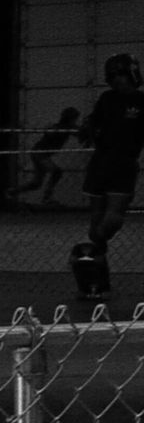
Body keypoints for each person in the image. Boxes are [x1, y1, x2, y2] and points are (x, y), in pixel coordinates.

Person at [75, 52, 144, 295]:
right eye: (113, 76)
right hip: (100, 163)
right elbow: (92, 123)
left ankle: (89, 255)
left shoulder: (141, 101)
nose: (117, 80)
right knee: (95, 224)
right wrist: (87, 129)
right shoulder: (106, 99)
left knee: (112, 220)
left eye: (121, 75)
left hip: (123, 164)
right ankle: (97, 277)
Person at [22, 107, 83, 209]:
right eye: (74, 118)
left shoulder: (68, 127)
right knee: (56, 172)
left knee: (36, 183)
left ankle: (12, 192)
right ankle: (47, 197)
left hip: (41, 153)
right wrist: (51, 131)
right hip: (39, 153)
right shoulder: (61, 127)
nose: (75, 121)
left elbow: (80, 134)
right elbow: (51, 132)